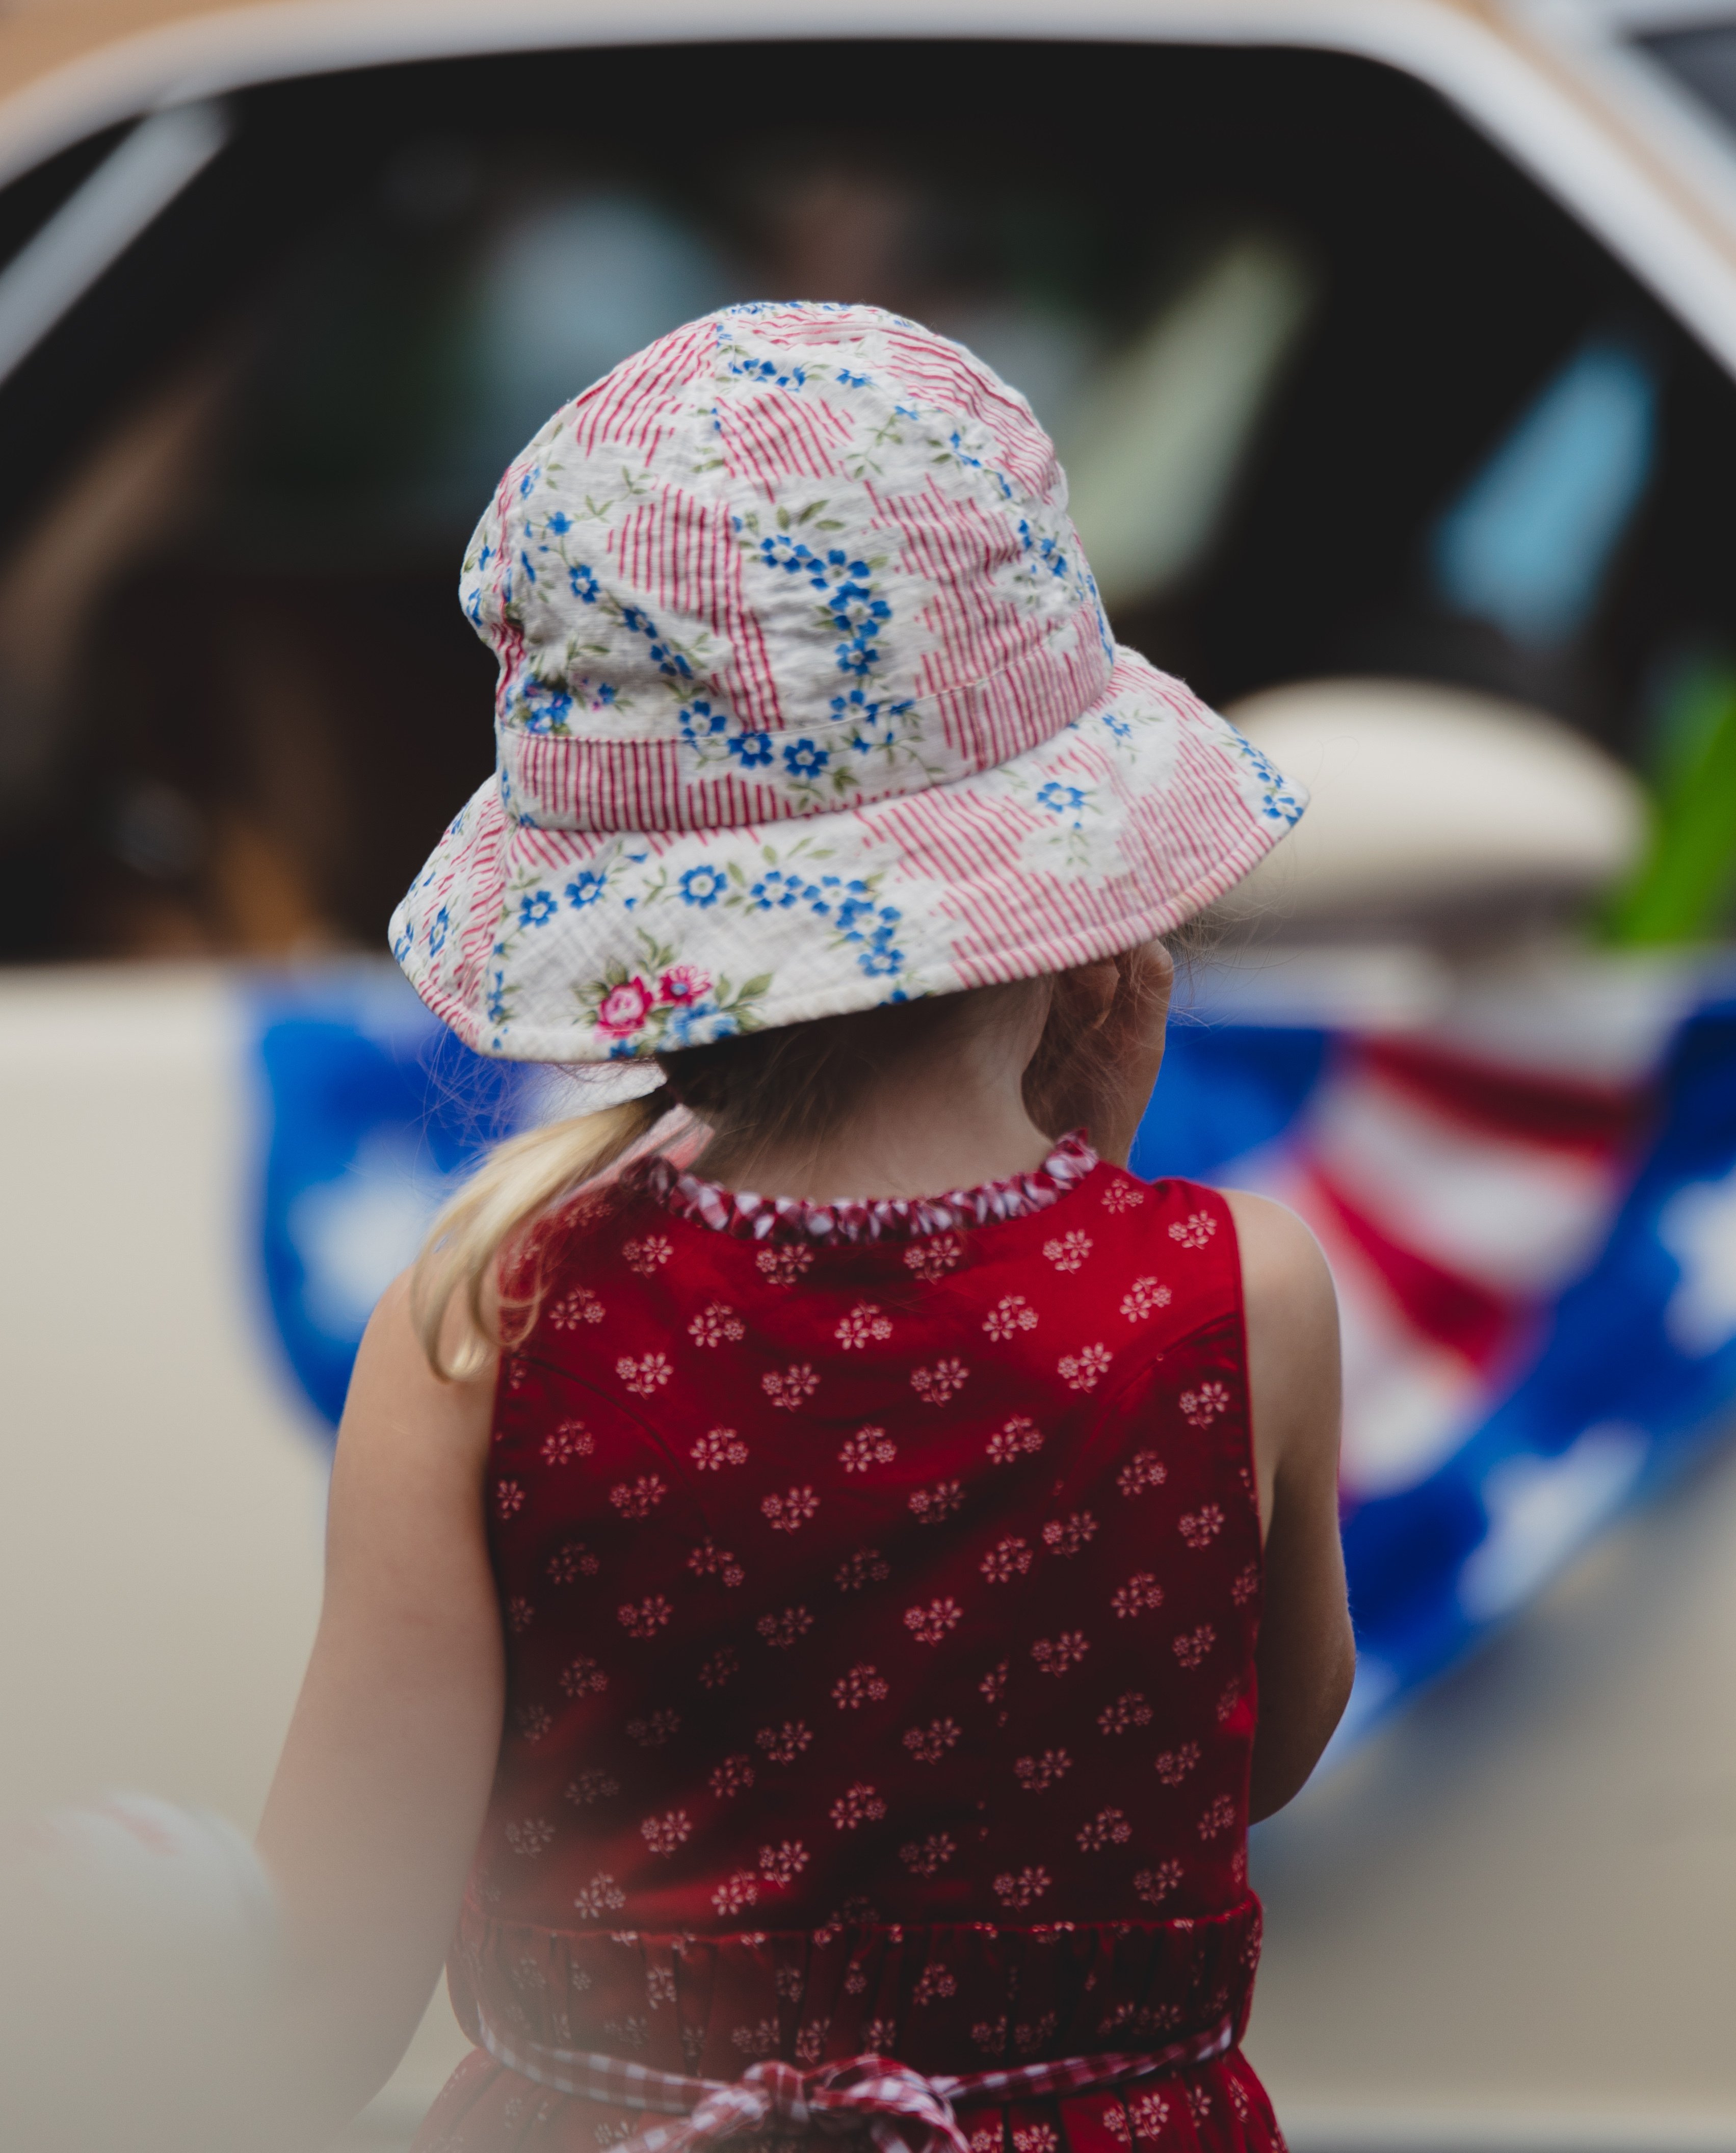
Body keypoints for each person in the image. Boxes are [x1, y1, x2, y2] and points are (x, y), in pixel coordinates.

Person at [247, 301, 1353, 2153]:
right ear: (1066, 876)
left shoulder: (485, 1324)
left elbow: (324, 1984)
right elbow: (1255, 1753)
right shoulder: (1232, 1295)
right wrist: (1079, 1171)